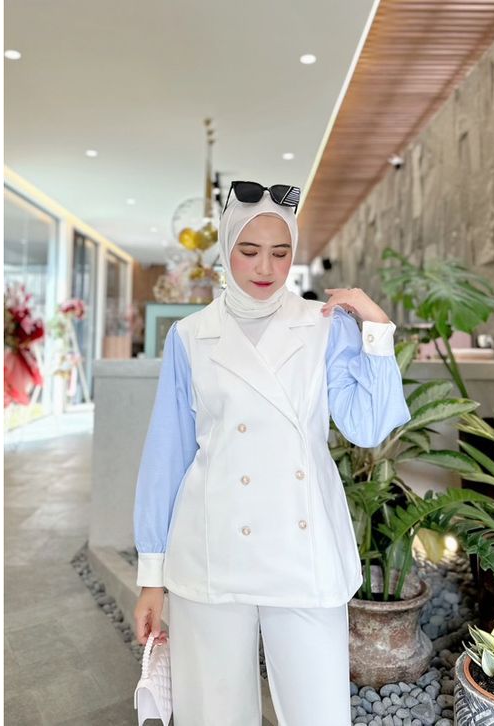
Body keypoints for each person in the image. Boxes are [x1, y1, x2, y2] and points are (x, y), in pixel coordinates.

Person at [133, 181, 411, 726]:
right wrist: (151, 578)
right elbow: (167, 457)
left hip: (303, 550)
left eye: (281, 253)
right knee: (213, 714)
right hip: (212, 546)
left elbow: (369, 426)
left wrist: (376, 329)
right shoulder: (190, 336)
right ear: (226, 249)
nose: (265, 267)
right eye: (249, 250)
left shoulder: (324, 326)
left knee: (318, 712)